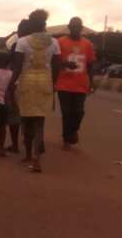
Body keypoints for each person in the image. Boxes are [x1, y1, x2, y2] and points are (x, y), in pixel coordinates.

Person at [9, 9, 61, 173]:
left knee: (26, 120)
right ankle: (37, 159)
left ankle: (28, 154)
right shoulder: (54, 43)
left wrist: (10, 85)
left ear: (31, 24)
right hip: (45, 82)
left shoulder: (22, 42)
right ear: (45, 24)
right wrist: (53, 85)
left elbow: (17, 68)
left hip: (26, 82)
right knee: (39, 123)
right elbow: (56, 66)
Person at [56, 17, 96, 149]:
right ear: (69, 27)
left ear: (81, 28)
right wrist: (65, 64)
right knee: (66, 113)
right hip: (63, 83)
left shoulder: (87, 44)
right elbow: (53, 62)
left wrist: (92, 81)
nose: (75, 29)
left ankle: (73, 131)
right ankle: (66, 138)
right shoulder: (60, 42)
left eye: (78, 27)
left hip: (81, 84)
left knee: (79, 112)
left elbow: (90, 64)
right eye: (73, 26)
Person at [5, 20, 31, 152]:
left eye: (19, 30)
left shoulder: (18, 44)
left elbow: (14, 66)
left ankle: (15, 145)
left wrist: (10, 85)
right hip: (34, 84)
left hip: (18, 83)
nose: (18, 32)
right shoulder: (40, 45)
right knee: (30, 117)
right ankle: (29, 145)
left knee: (14, 115)